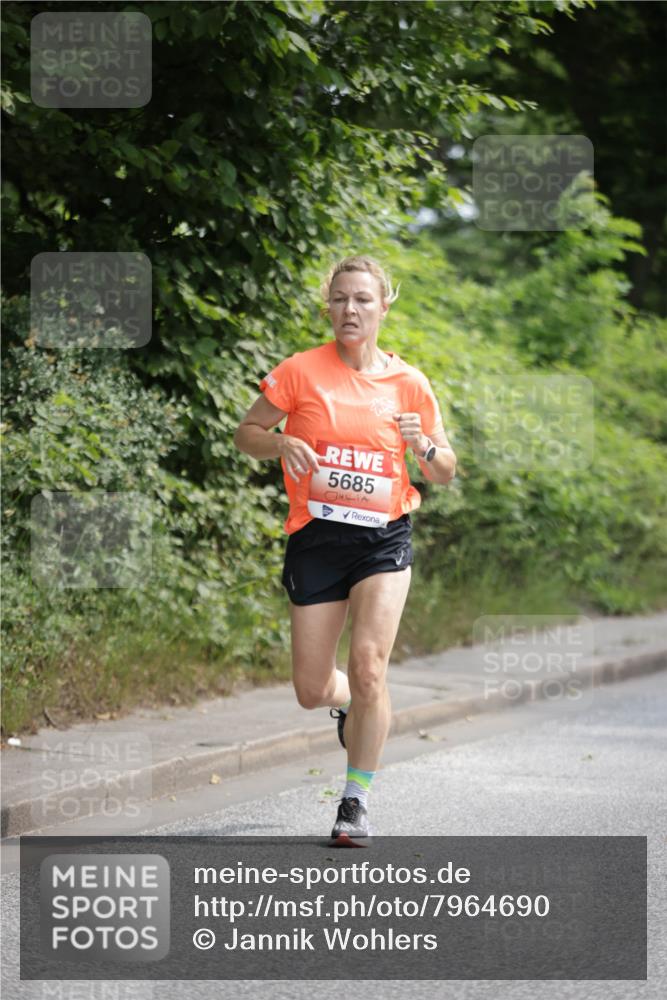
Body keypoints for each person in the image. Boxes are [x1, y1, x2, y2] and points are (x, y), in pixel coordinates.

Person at [233, 255, 457, 846]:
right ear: (327, 306)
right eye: (339, 299)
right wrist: (281, 443)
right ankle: (351, 707)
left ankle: (354, 803)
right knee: (311, 688)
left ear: (385, 305)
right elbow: (246, 434)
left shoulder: (409, 383)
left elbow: (445, 470)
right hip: (317, 539)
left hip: (384, 539)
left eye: (361, 299)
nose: (349, 310)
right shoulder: (300, 371)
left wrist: (424, 447)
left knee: (369, 666)